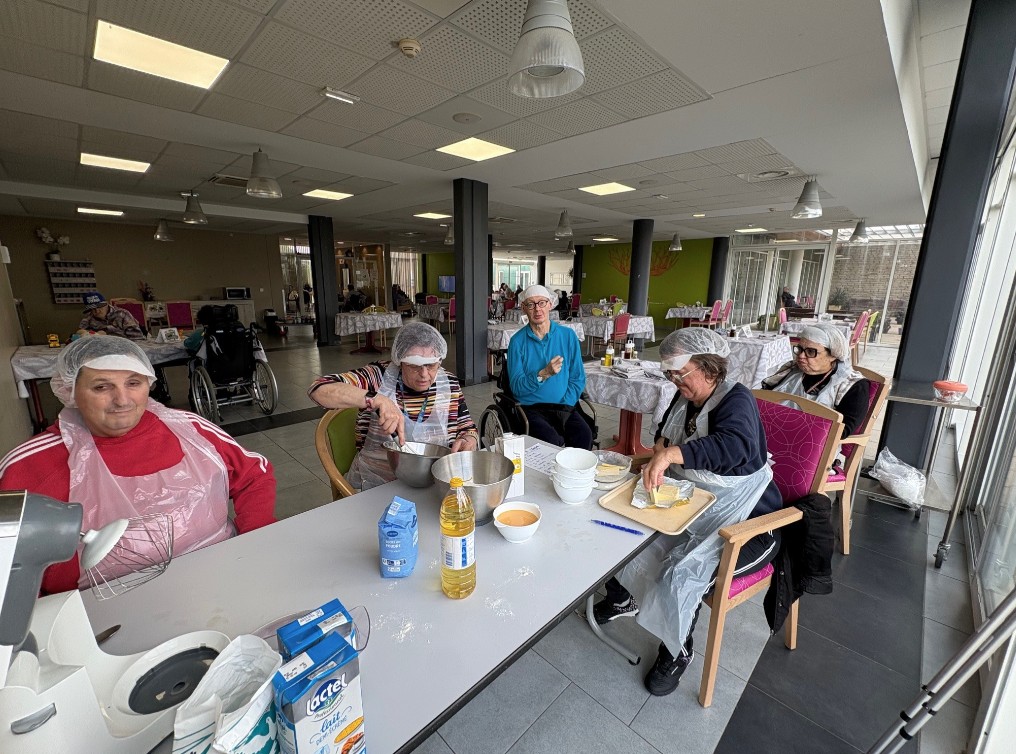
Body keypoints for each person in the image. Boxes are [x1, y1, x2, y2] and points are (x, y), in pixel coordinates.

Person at [0, 336, 277, 594]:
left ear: (149, 383)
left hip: (222, 576)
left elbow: (255, 474)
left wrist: (255, 539)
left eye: (133, 383)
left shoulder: (191, 430)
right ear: (70, 390)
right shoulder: (30, 465)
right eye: (101, 386)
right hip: (102, 606)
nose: (122, 400)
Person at [592, 328, 780, 696]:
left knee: (681, 571)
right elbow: (663, 441)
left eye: (680, 373)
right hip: (692, 503)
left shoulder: (735, 400)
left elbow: (735, 447)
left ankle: (677, 651)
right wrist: (638, 463)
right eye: (669, 374)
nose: (674, 381)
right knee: (618, 532)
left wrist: (670, 455)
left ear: (709, 368)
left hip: (747, 519)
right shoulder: (684, 399)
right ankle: (623, 598)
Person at [307, 322, 479, 490]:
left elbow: (467, 428)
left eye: (431, 365)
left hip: (434, 482)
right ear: (400, 361)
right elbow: (318, 389)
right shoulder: (377, 377)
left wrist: (468, 439)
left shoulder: (448, 383)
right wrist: (374, 399)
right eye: (414, 366)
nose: (424, 375)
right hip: (377, 484)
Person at [507, 285, 592, 450]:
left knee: (584, 434)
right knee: (551, 442)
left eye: (542, 303)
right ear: (524, 308)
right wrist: (543, 374)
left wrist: (565, 405)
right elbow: (517, 388)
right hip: (532, 408)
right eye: (531, 304)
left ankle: (574, 475)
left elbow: (578, 378)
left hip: (564, 405)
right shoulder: (517, 342)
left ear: (550, 304)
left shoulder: (568, 336)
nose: (537, 309)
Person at [762, 323, 870, 437]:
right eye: (800, 349)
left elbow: (842, 431)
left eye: (810, 351)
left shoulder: (853, 385)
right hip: (769, 430)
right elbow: (764, 395)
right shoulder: (791, 369)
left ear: (833, 355)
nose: (801, 356)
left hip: (811, 443)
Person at [77, 292, 145, 340]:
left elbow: (137, 337)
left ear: (106, 304)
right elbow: (79, 333)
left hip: (126, 346)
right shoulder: (88, 318)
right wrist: (83, 333)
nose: (97, 311)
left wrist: (108, 334)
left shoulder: (122, 314)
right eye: (92, 309)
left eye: (99, 307)